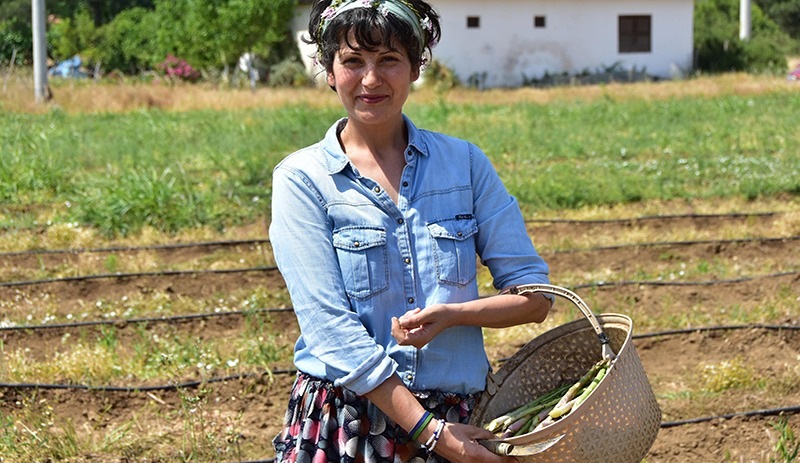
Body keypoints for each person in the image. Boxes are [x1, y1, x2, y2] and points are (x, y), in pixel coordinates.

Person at [269, 0, 553, 461]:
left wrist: (454, 315)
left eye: (388, 60)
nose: (370, 80)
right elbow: (330, 331)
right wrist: (428, 432)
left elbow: (536, 298)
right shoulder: (303, 179)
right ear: (328, 69)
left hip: (460, 420)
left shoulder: (464, 164)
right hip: (351, 423)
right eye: (353, 61)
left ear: (416, 67)